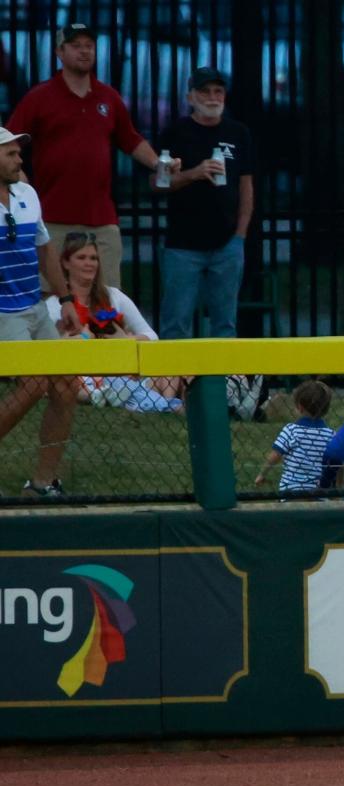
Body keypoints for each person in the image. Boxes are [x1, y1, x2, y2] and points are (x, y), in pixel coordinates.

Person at [6, 22, 179, 290]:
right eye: (76, 46)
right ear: (59, 52)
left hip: (102, 219)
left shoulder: (108, 97)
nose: (84, 51)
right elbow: (9, 141)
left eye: (89, 46)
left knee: (107, 295)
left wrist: (159, 164)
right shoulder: (40, 97)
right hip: (52, 216)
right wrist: (19, 180)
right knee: (49, 295)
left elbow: (130, 139)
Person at [0, 126, 82, 497]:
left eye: (19, 153)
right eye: (11, 154)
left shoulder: (28, 194)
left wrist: (65, 301)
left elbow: (46, 250)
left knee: (66, 385)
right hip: (4, 312)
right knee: (33, 384)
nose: (20, 161)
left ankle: (44, 481)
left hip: (34, 306)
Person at [152, 66, 255, 340]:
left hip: (227, 245)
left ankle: (223, 383)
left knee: (225, 324)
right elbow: (157, 184)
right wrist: (193, 174)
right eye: (205, 91)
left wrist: (240, 235)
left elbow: (246, 186)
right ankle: (174, 383)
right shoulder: (175, 133)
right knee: (176, 323)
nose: (213, 97)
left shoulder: (238, 132)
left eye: (218, 91)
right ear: (190, 97)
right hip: (182, 245)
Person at [45, 231, 182, 413]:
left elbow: (152, 336)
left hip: (123, 370)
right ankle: (166, 406)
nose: (89, 264)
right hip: (84, 377)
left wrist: (123, 341)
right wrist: (86, 337)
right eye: (82, 258)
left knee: (170, 364)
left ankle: (164, 403)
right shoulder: (54, 305)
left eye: (93, 258)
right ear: (66, 263)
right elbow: (50, 351)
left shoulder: (114, 296)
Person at [256, 380, 335, 492]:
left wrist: (262, 474)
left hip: (291, 490)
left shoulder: (291, 430)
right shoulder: (330, 435)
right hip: (318, 492)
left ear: (300, 407)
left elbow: (275, 455)